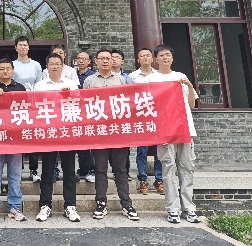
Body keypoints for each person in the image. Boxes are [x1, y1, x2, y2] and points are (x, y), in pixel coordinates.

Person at [83, 49, 139, 221]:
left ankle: (126, 204)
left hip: (118, 133)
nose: (106, 61)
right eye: (102, 58)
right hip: (99, 133)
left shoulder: (121, 80)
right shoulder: (89, 81)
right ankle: (101, 203)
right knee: (100, 170)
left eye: (108, 58)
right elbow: (84, 106)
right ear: (96, 61)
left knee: (120, 170)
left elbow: (128, 104)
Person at [147, 44, 200, 224]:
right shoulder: (151, 79)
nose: (165, 58)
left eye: (168, 55)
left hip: (185, 129)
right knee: (168, 169)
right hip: (165, 131)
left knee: (187, 168)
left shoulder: (180, 77)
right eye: (162, 55)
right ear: (156, 59)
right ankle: (173, 209)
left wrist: (189, 86)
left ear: (172, 58)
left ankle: (189, 208)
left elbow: (192, 104)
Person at [33, 53, 80, 223]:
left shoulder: (71, 84)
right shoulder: (39, 86)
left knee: (69, 170)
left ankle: (70, 206)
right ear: (46, 67)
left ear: (62, 66)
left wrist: (70, 96)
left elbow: (79, 106)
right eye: (51, 64)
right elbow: (34, 108)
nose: (54, 66)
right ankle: (45, 205)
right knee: (47, 171)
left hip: (67, 133)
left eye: (57, 64)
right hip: (48, 133)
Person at [0, 58, 27, 223]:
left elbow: (27, 110)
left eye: (8, 68)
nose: (5, 71)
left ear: (13, 70)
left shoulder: (21, 88)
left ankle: (14, 207)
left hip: (16, 139)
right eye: (1, 69)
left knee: (15, 176)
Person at [128, 47, 164, 196]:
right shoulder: (132, 77)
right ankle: (143, 179)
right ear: (138, 60)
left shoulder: (160, 76)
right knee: (141, 151)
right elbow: (128, 96)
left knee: (159, 151)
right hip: (141, 118)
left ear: (152, 58)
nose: (145, 58)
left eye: (147, 55)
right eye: (142, 56)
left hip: (157, 118)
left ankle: (159, 180)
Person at [12, 36, 43, 183]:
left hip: (32, 105)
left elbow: (39, 84)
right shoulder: (12, 65)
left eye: (25, 45)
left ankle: (33, 169)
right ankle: (17, 169)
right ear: (16, 48)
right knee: (17, 137)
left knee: (32, 137)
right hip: (16, 106)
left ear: (29, 47)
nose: (23, 47)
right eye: (20, 45)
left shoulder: (36, 65)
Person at [110, 48, 133, 180]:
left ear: (122, 61)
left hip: (122, 115)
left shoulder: (127, 78)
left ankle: (124, 171)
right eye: (112, 57)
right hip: (106, 116)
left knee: (124, 146)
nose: (114, 60)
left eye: (117, 57)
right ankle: (114, 171)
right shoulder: (99, 76)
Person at [75, 50, 96, 183]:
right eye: (79, 58)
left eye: (84, 59)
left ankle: (92, 170)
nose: (81, 61)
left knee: (91, 143)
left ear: (89, 61)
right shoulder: (73, 75)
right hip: (76, 113)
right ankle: (83, 169)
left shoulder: (93, 76)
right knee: (80, 143)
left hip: (90, 112)